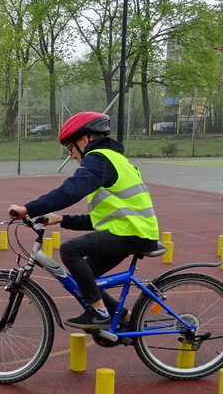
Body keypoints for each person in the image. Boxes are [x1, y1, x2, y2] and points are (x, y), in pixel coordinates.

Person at [8, 112, 159, 330]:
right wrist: (61, 219)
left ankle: (99, 313)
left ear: (84, 139)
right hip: (131, 231)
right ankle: (123, 316)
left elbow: (70, 191)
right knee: (85, 277)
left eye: (70, 146)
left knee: (70, 250)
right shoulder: (114, 159)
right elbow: (104, 219)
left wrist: (27, 208)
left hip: (132, 233)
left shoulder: (99, 158)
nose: (70, 153)